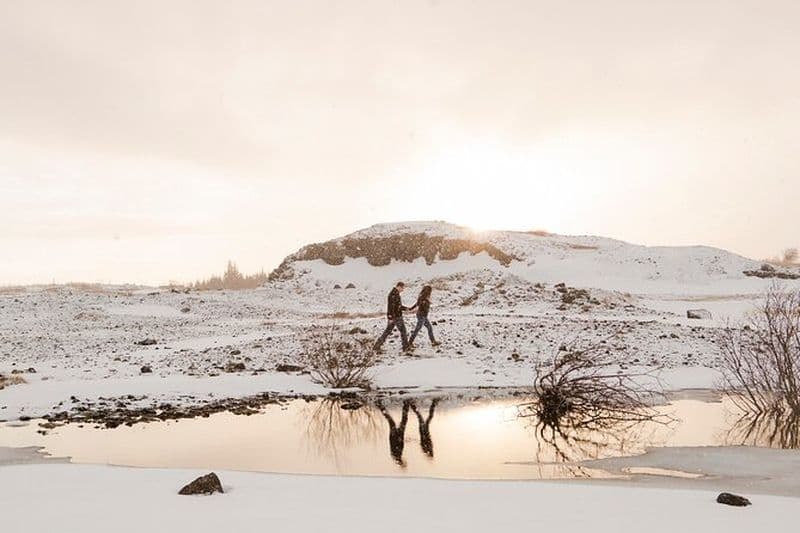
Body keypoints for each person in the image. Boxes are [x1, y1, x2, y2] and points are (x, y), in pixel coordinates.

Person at [373, 281, 409, 352]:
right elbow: (391, 307)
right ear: (399, 286)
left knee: (388, 331)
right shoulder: (393, 294)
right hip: (396, 316)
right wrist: (391, 317)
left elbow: (397, 306)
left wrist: (405, 308)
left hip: (394, 316)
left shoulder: (395, 293)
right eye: (402, 288)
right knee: (403, 331)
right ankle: (405, 347)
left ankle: (377, 346)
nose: (403, 290)